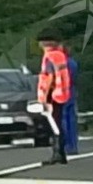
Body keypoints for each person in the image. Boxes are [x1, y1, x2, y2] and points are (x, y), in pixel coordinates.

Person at [38, 35, 71, 165]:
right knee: (58, 123)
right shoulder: (60, 55)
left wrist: (45, 98)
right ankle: (61, 153)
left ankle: (57, 153)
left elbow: (49, 77)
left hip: (52, 96)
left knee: (54, 125)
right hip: (61, 94)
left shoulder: (49, 57)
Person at [61, 46, 80, 155]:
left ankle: (66, 145)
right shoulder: (73, 63)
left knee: (62, 119)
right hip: (71, 92)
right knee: (72, 120)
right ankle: (73, 146)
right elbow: (75, 78)